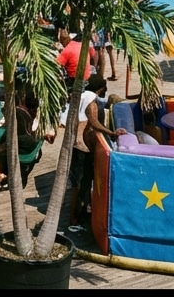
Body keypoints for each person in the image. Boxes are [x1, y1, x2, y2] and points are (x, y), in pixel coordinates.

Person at [65, 74, 127, 232]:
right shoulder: (92, 102)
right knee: (82, 184)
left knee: (77, 184)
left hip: (73, 143)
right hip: (83, 147)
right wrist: (111, 133)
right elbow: (93, 121)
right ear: (101, 88)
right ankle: (75, 218)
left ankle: (75, 215)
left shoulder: (80, 96)